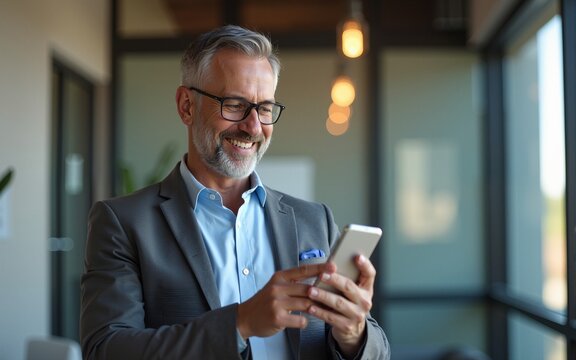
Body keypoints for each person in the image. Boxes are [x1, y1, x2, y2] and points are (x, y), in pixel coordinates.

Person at [80, 25, 390, 360]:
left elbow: (375, 351)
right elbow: (106, 350)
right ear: (186, 106)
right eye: (234, 104)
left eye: (265, 108)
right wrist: (239, 323)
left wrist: (354, 333)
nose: (254, 127)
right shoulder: (123, 222)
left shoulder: (313, 219)